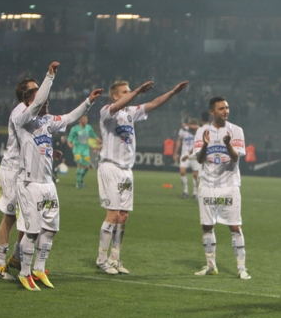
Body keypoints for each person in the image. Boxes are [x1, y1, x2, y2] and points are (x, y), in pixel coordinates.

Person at [15, 62, 103, 290]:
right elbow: (36, 102)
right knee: (32, 232)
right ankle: (24, 273)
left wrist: (88, 102)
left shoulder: (47, 122)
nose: (47, 102)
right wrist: (49, 77)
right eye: (41, 100)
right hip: (30, 183)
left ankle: (39, 268)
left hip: (48, 183)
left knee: (51, 228)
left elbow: (70, 117)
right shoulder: (23, 120)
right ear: (30, 102)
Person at [95, 79, 189, 275]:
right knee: (112, 214)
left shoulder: (131, 113)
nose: (130, 94)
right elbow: (119, 105)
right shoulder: (107, 111)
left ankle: (115, 258)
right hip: (110, 167)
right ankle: (101, 259)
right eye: (125, 91)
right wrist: (137, 91)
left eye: (130, 91)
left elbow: (154, 104)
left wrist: (172, 92)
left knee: (123, 216)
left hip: (127, 171)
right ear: (115, 96)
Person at [193, 96, 250, 280]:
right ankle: (211, 265)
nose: (225, 111)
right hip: (207, 185)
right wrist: (205, 145)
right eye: (221, 108)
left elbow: (235, 157)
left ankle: (241, 268)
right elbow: (200, 159)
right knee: (207, 227)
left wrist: (227, 144)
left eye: (226, 107)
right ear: (212, 112)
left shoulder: (236, 130)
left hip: (229, 185)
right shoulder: (202, 131)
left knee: (235, 226)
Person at [0, 78, 39, 281]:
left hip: (25, 171)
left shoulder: (35, 113)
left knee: (26, 217)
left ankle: (17, 258)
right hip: (11, 170)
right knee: (9, 217)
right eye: (35, 89)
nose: (39, 91)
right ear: (25, 95)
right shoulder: (20, 111)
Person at [67, 114, 102, 189]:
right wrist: (70, 144)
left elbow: (94, 136)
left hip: (85, 150)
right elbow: (69, 139)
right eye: (83, 118)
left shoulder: (88, 128)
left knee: (87, 167)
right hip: (77, 149)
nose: (85, 120)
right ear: (79, 120)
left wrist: (101, 142)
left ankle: (80, 179)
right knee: (80, 164)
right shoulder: (75, 129)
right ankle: (78, 183)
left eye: (86, 118)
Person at [173, 118, 200, 199]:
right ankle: (185, 191)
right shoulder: (183, 130)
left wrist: (187, 125)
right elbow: (179, 141)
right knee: (182, 171)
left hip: (195, 155)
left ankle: (195, 192)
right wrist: (175, 153)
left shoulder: (198, 131)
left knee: (195, 174)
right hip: (184, 154)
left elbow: (198, 127)